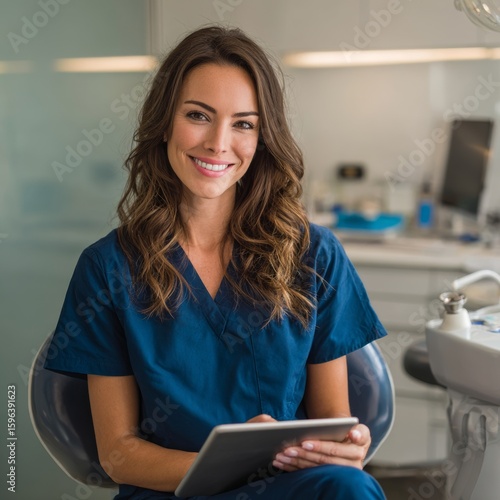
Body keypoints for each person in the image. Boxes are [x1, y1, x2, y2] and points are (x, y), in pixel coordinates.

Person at [44, 25, 388, 499]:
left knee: (350, 487)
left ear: (262, 138)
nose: (218, 143)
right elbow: (119, 454)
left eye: (243, 123)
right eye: (199, 116)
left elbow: (332, 428)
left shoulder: (314, 255)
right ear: (165, 121)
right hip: (173, 488)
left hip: (286, 487)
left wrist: (345, 449)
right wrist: (237, 468)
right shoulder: (109, 269)